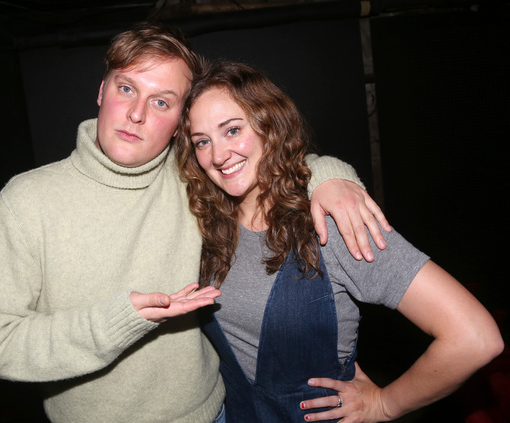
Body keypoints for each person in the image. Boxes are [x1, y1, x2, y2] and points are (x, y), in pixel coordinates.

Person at [0, 22, 389, 423]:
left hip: (214, 414)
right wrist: (118, 321)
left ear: (179, 127)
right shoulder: (25, 201)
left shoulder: (194, 178)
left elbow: (266, 159)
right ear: (102, 91)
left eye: (161, 102)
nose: (136, 114)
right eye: (127, 88)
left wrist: (332, 177)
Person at [175, 59, 504, 423]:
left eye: (233, 130)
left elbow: (474, 337)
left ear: (270, 124)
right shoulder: (207, 224)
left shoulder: (333, 223)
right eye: (202, 141)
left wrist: (385, 404)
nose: (219, 155)